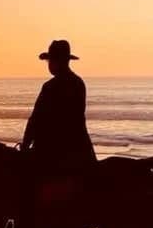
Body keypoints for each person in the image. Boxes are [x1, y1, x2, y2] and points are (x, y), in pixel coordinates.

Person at [21, 40, 97, 173]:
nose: (49, 65)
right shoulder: (78, 83)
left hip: (53, 152)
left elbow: (36, 119)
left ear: (58, 61)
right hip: (81, 149)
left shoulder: (50, 86)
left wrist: (25, 146)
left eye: (50, 61)